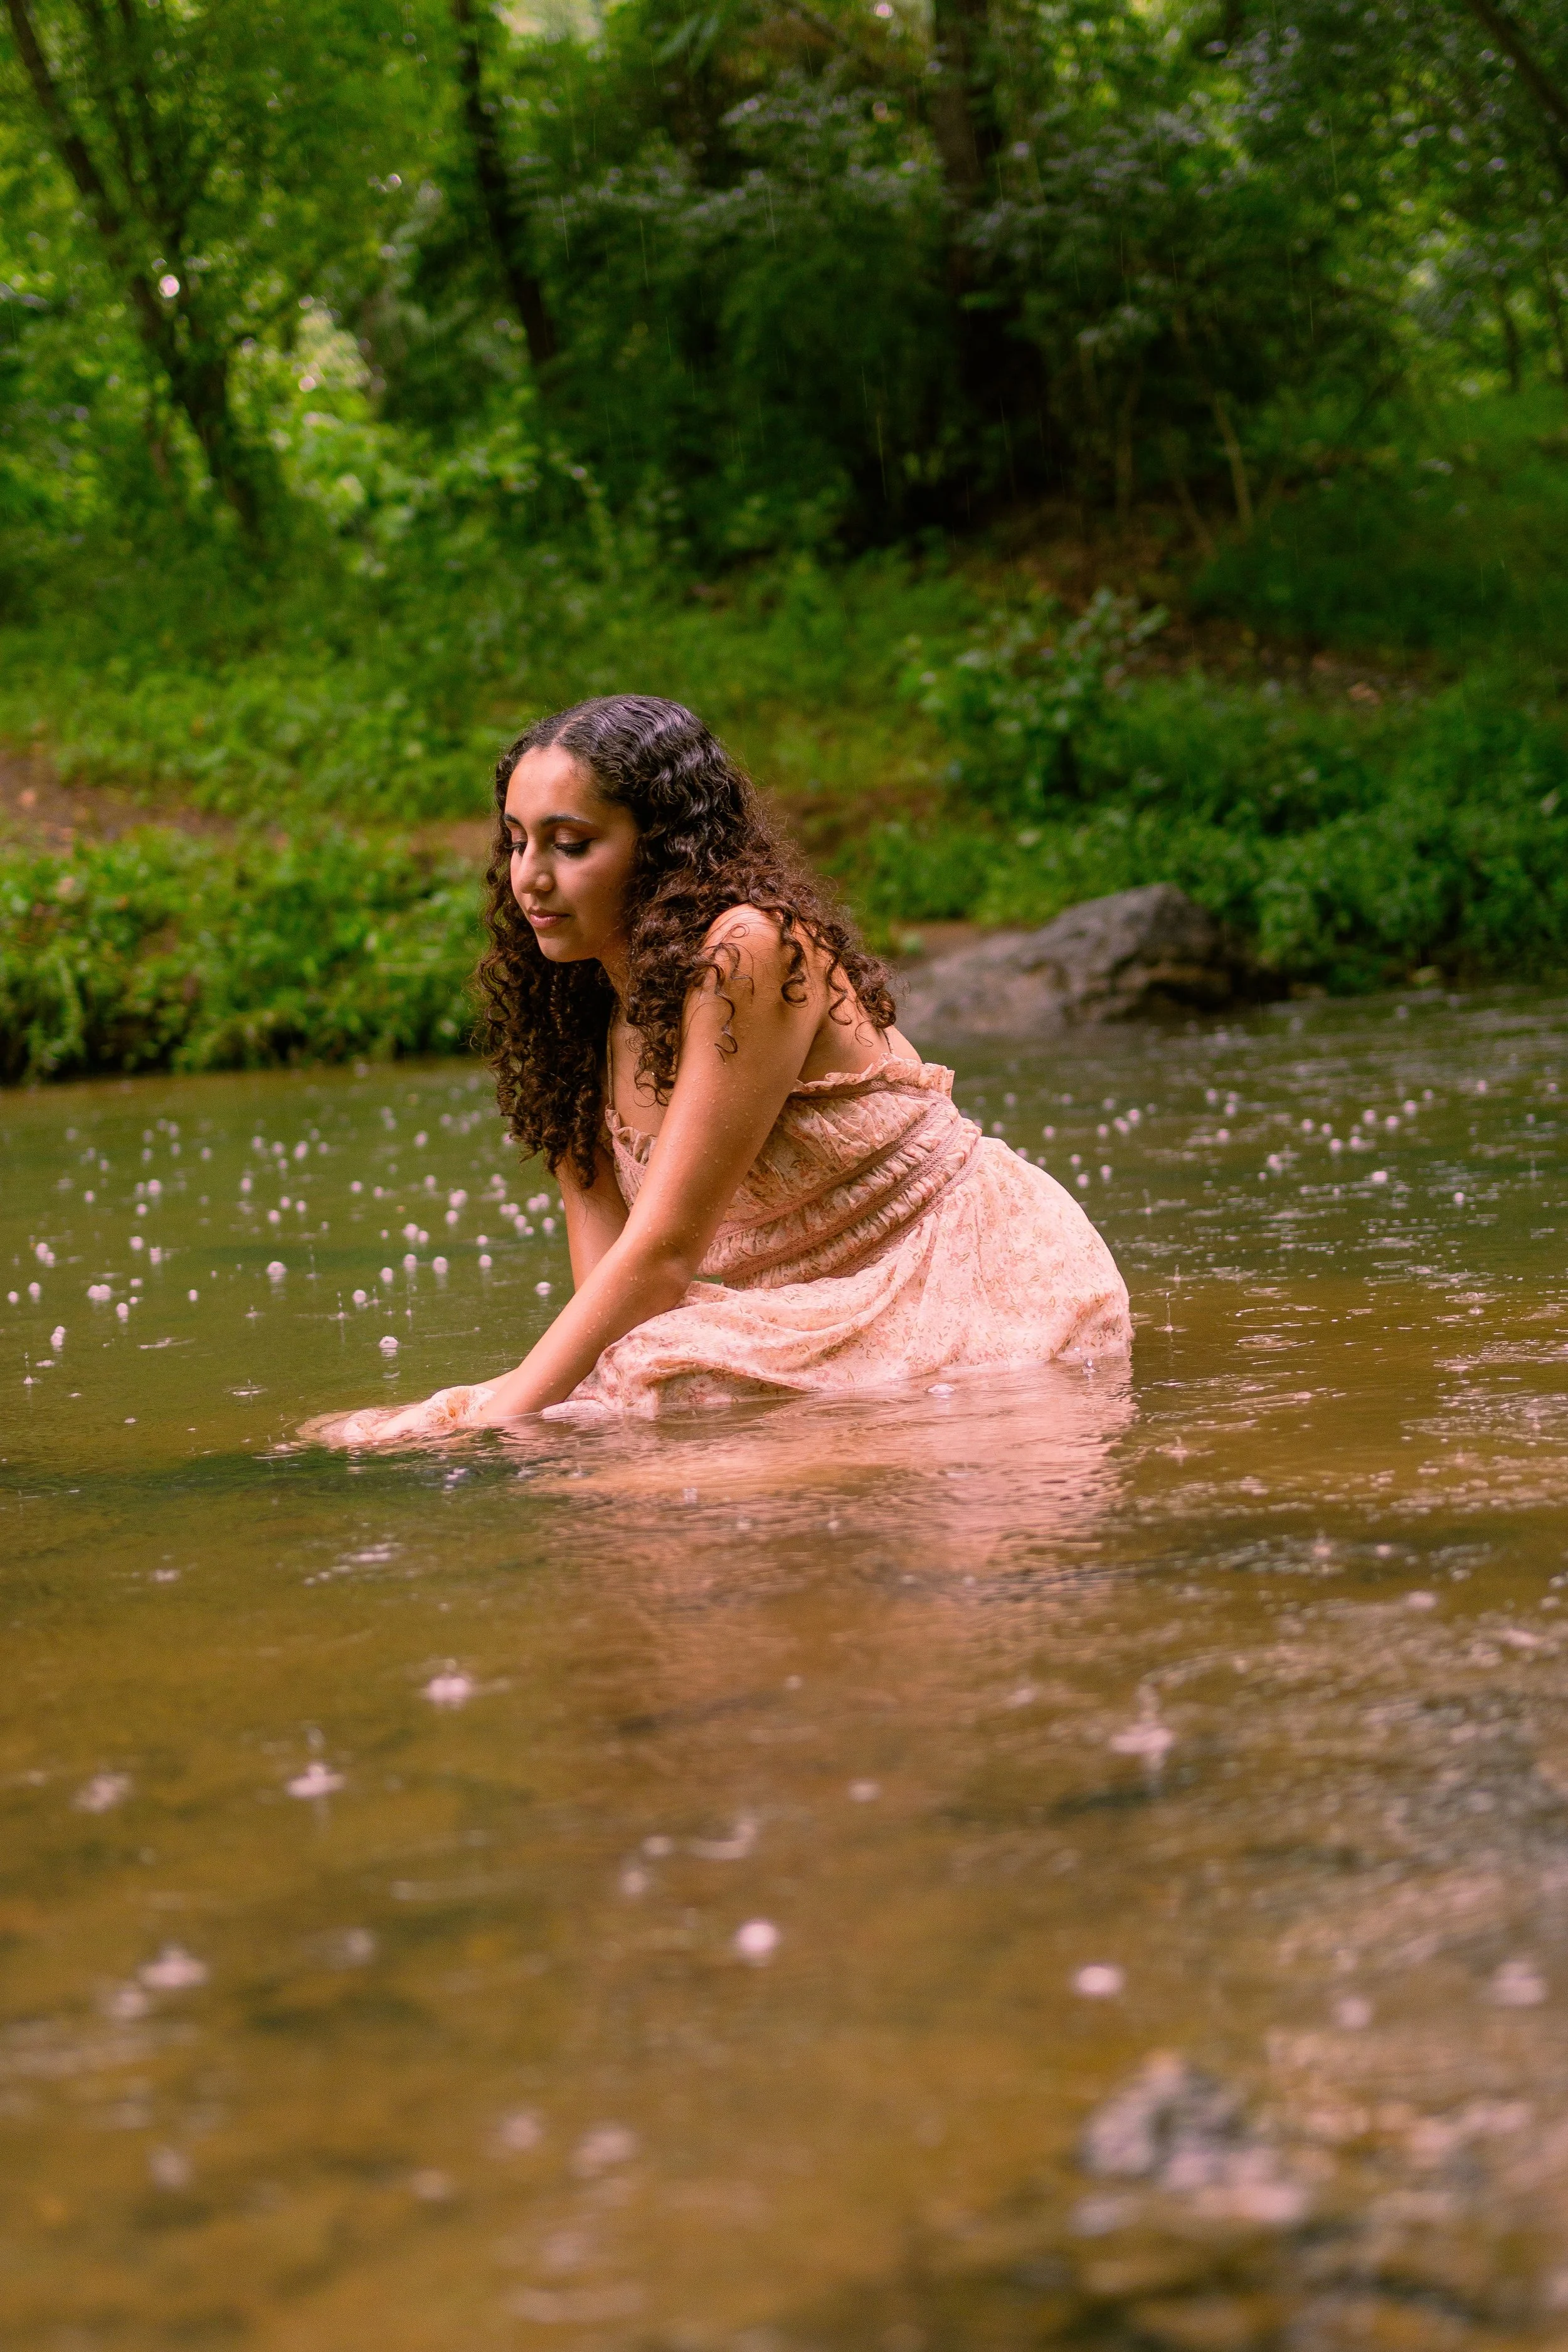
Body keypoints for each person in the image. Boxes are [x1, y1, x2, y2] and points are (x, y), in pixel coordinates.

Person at [311, 694, 1129, 1444]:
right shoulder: (563, 1007)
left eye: (570, 844)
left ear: (663, 845)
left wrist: (504, 1422)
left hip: (955, 1275)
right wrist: (511, 1409)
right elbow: (612, 1288)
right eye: (517, 842)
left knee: (630, 1396)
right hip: (780, 1315)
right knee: (367, 1431)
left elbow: (664, 1252)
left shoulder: (749, 948)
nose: (530, 878)